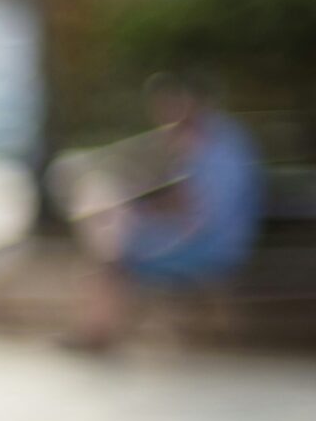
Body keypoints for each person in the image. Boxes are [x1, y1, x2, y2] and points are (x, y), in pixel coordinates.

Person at [64, 71, 264, 350]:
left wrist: (141, 212)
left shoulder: (209, 144)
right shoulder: (223, 137)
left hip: (213, 245)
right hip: (220, 239)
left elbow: (198, 214)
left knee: (112, 259)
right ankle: (97, 331)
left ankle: (98, 334)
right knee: (112, 251)